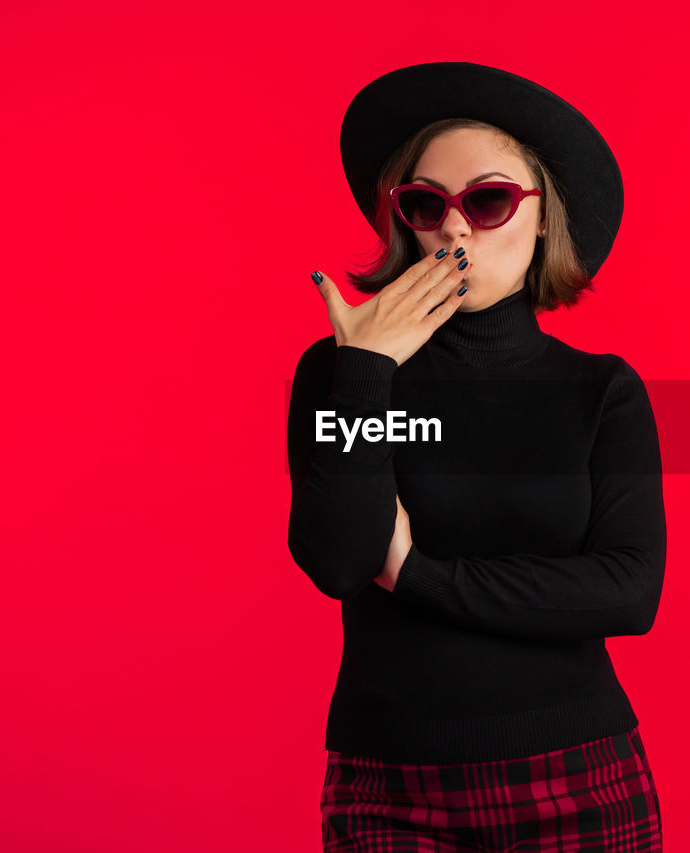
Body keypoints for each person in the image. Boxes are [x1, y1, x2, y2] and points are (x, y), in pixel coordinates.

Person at [286, 62, 667, 852]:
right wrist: (367, 374)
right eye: (427, 204)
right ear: (404, 223)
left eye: (488, 201)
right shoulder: (339, 373)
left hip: (576, 779)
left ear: (540, 219)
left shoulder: (599, 391)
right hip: (385, 785)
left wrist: (420, 574)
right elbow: (339, 560)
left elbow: (628, 591)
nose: (455, 230)